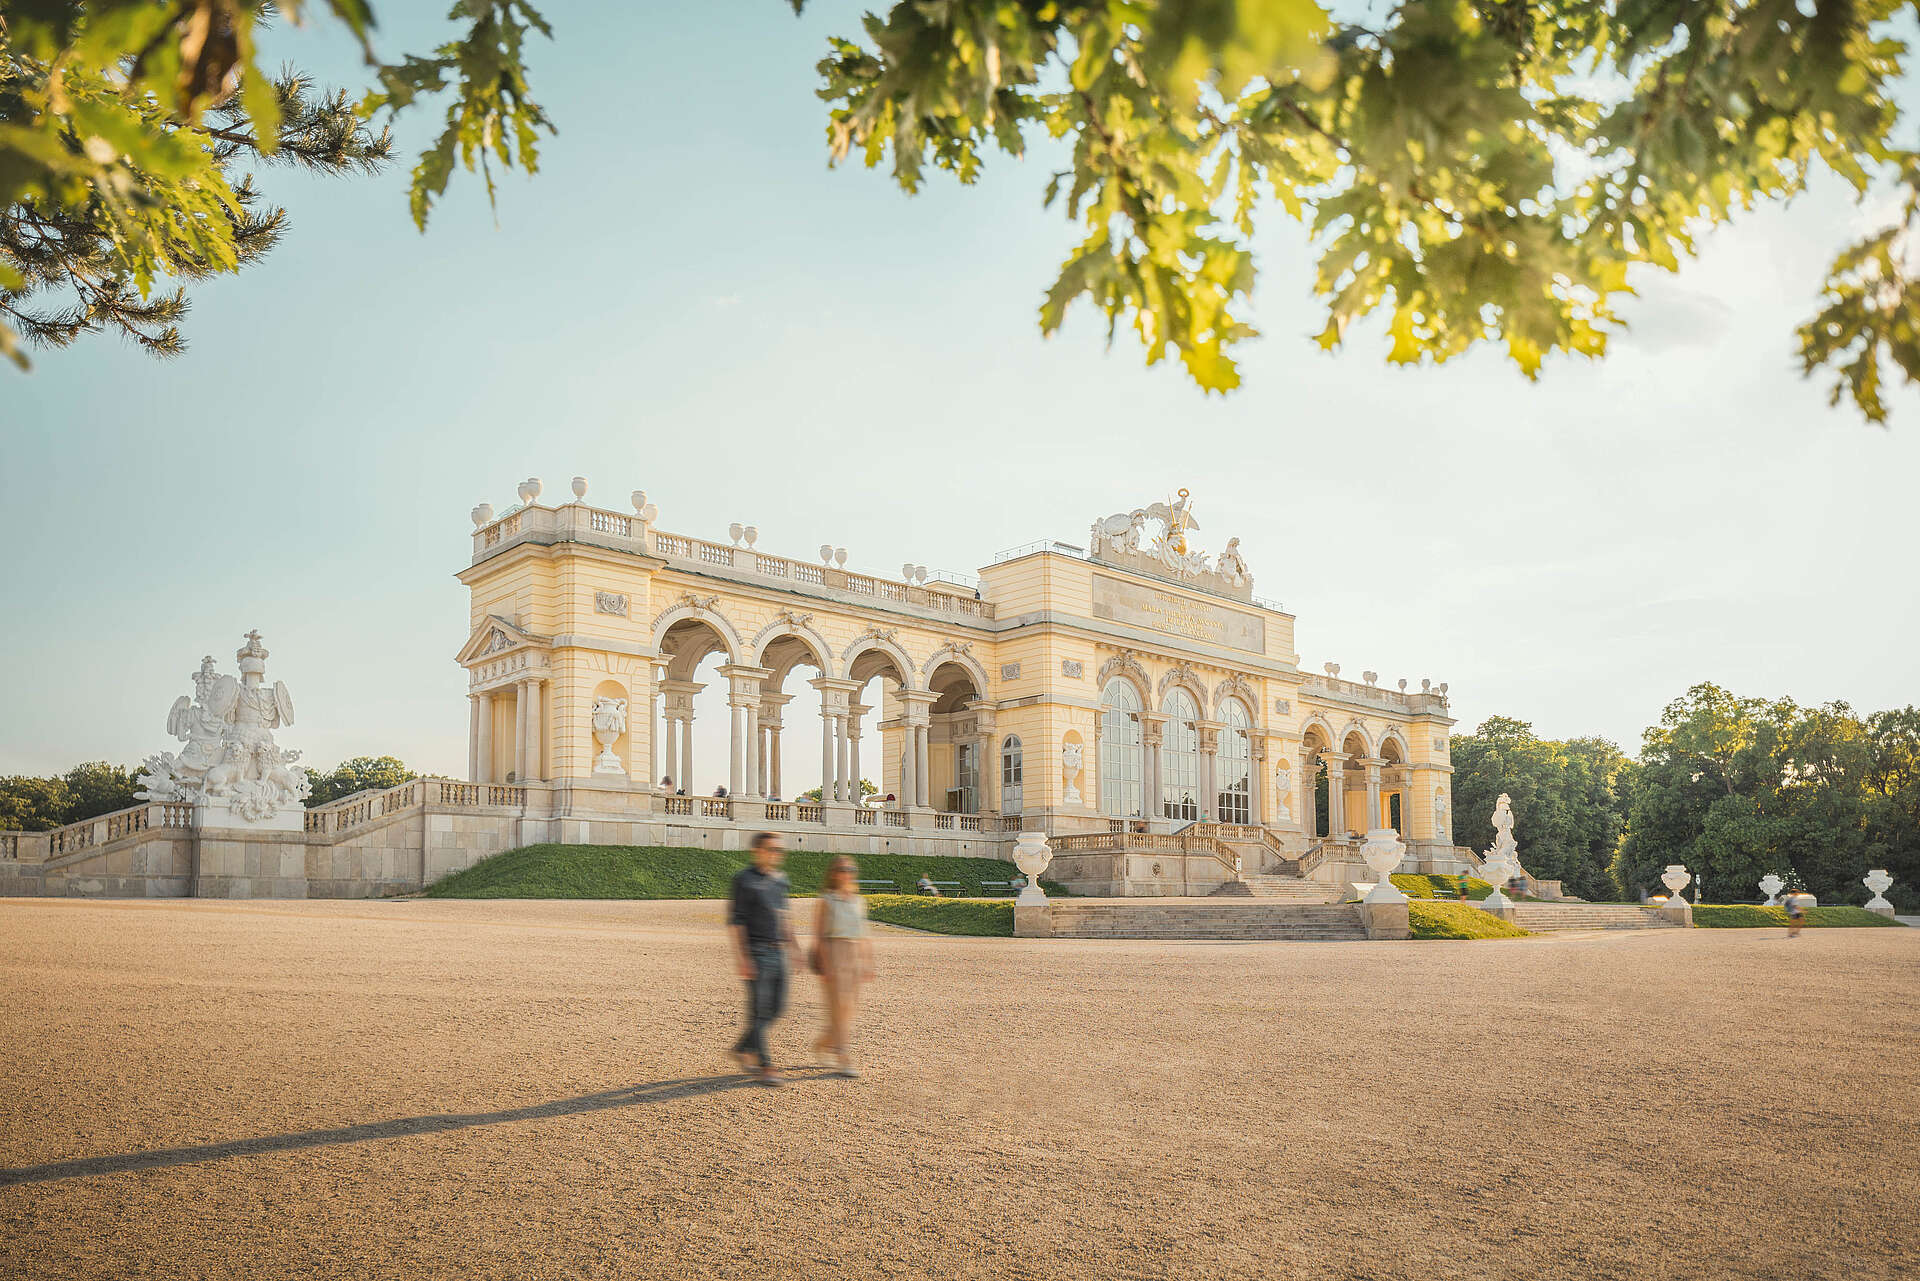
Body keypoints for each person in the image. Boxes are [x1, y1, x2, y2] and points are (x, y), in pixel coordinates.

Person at [728, 832, 796, 1086]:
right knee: (758, 1011)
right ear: (757, 851)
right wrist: (742, 958)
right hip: (756, 951)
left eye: (779, 850)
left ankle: (743, 1047)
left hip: (779, 951)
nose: (776, 854)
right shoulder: (743, 880)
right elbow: (736, 922)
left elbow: (783, 916)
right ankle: (765, 1065)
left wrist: (795, 948)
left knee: (778, 1008)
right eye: (771, 849)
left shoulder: (781, 880)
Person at [810, 855, 876, 1078]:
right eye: (841, 869)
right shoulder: (826, 900)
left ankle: (824, 1043)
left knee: (848, 1010)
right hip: (834, 953)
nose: (846, 873)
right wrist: (826, 965)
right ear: (833, 873)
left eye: (850, 869)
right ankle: (844, 1058)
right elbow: (819, 936)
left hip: (855, 954)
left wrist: (868, 961)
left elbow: (864, 933)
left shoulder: (858, 900)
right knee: (838, 1008)